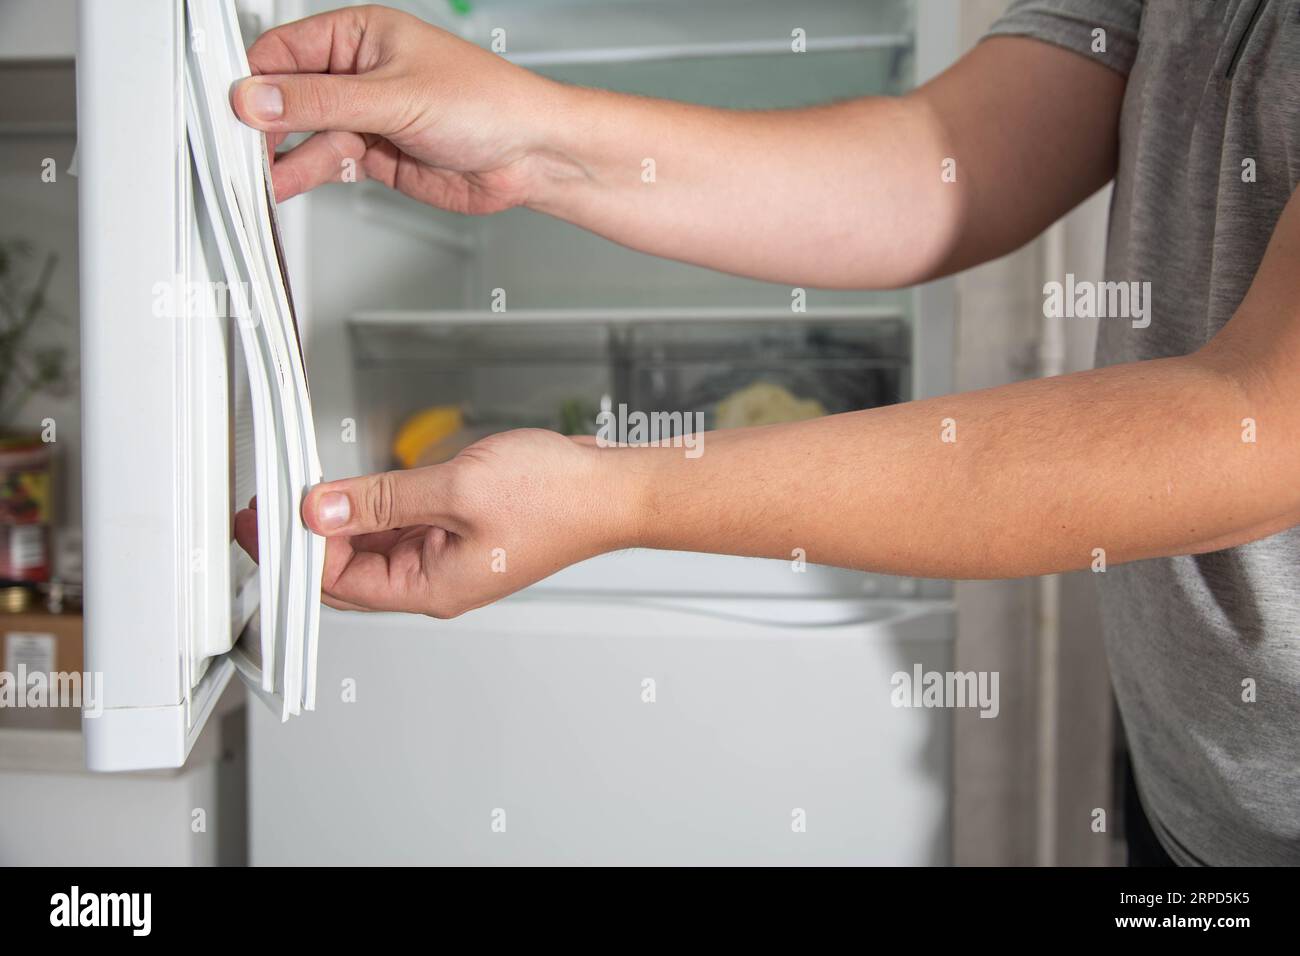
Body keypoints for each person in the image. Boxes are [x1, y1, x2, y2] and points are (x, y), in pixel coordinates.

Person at [229, 2, 1300, 866]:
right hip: (1189, 785)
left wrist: (619, 495)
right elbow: (943, 164)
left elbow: (1252, 429)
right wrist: (532, 140)